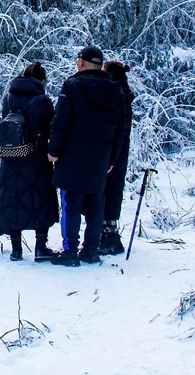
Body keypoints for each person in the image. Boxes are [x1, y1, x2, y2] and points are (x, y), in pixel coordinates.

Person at [47, 46, 123, 267]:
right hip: (100, 157)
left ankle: (70, 251)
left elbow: (61, 121)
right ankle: (90, 250)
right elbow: (121, 129)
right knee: (95, 204)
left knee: (71, 203)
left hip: (73, 155)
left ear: (81, 62)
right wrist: (112, 159)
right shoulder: (115, 90)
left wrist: (53, 151)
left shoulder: (72, 86)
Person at [0, 62, 59, 262]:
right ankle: (40, 247)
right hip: (35, 157)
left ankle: (16, 250)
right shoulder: (42, 100)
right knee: (39, 197)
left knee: (13, 197)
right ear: (41, 80)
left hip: (10, 155)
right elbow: (51, 128)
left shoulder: (8, 98)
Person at [99, 60, 135, 255]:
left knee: (109, 190)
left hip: (114, 152)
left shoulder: (117, 97)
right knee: (112, 190)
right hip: (118, 151)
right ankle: (108, 234)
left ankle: (110, 237)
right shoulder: (123, 94)